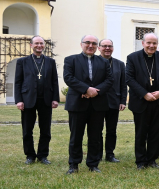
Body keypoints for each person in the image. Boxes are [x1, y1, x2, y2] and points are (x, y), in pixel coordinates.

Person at [64, 35, 113, 174]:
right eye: (87, 43)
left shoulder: (103, 62)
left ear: (97, 47)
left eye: (94, 43)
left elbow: (109, 80)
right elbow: (69, 78)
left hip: (98, 104)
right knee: (76, 136)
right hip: (77, 104)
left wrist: (95, 92)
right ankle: (73, 165)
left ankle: (93, 164)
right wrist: (86, 89)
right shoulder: (71, 60)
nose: (90, 45)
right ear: (81, 44)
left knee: (95, 137)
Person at [126, 33, 159, 169]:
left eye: (154, 43)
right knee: (141, 133)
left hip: (158, 101)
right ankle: (140, 161)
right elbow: (129, 78)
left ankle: (152, 159)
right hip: (141, 101)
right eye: (149, 43)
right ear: (143, 43)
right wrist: (144, 94)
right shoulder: (133, 57)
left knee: (155, 132)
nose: (152, 46)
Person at [14, 35, 60, 165]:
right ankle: (30, 155)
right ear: (31, 45)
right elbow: (18, 82)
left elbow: (54, 81)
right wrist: (19, 100)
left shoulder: (50, 61)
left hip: (46, 100)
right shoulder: (22, 61)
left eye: (41, 43)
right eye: (37, 43)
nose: (39, 45)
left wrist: (55, 98)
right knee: (27, 130)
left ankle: (42, 155)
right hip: (28, 99)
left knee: (45, 130)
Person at [98, 39, 127, 163]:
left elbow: (123, 84)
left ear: (113, 48)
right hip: (97, 101)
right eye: (104, 46)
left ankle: (110, 154)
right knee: (97, 130)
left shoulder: (119, 64)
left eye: (110, 46)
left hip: (114, 101)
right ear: (99, 48)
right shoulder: (94, 62)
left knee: (111, 130)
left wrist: (123, 101)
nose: (107, 48)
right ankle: (97, 154)